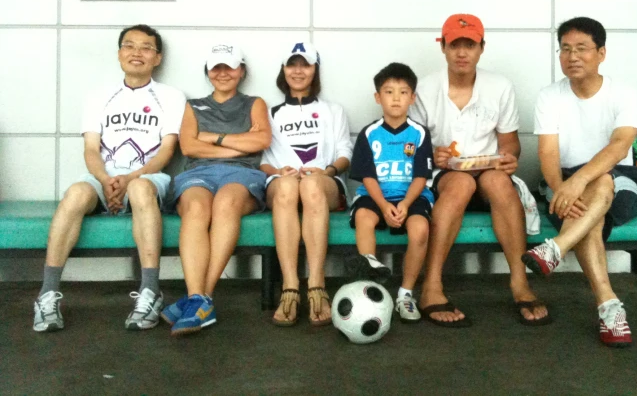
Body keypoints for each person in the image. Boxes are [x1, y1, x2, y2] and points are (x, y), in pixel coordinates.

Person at [33, 25, 186, 333]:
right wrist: (104, 179)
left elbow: (166, 152)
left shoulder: (170, 96)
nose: (137, 53)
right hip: (103, 178)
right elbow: (91, 149)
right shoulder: (99, 96)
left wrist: (131, 178)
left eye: (146, 48)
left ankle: (150, 291)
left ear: (157, 58)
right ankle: (47, 295)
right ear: (119, 54)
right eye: (129, 46)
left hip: (147, 177)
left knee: (141, 190)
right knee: (76, 193)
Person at [411, 14, 549, 327]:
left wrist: (509, 159)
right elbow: (412, 145)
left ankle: (520, 283)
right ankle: (432, 287)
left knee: (499, 181)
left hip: (487, 173)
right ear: (443, 47)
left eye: (470, 44)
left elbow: (510, 144)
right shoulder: (425, 88)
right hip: (446, 177)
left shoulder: (499, 86)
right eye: (455, 44)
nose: (462, 52)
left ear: (481, 48)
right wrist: (433, 153)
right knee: (461, 183)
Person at [523, 17, 637, 348]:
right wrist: (562, 186)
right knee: (590, 216)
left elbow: (620, 147)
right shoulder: (550, 96)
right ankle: (609, 307)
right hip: (564, 182)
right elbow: (547, 155)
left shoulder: (624, 94)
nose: (572, 56)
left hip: (620, 178)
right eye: (565, 49)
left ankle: (556, 248)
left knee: (602, 183)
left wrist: (578, 181)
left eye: (581, 49)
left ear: (601, 53)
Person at [161, 43, 271, 336]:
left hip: (244, 174)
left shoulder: (254, 103)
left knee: (225, 203)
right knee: (196, 208)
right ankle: (200, 299)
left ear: (242, 70)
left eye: (230, 66)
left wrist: (214, 138)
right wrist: (238, 143)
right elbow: (189, 146)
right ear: (208, 72)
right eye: (216, 67)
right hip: (198, 172)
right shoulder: (193, 105)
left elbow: (261, 141)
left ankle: (198, 298)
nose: (223, 73)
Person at [260, 42, 352, 327]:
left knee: (311, 185)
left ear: (315, 70)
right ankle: (290, 287)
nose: (298, 71)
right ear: (283, 70)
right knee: (287, 187)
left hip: (322, 183)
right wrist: (278, 170)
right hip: (283, 182)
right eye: (292, 64)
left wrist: (327, 170)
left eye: (305, 64)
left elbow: (345, 153)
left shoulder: (333, 110)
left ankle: (316, 284)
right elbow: (262, 161)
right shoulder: (270, 113)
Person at [348, 63, 434, 323]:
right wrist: (384, 205)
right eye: (388, 92)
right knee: (364, 217)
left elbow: (421, 176)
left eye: (403, 92)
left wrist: (406, 204)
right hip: (376, 195)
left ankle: (405, 294)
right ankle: (370, 271)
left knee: (419, 229)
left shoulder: (419, 133)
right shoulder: (369, 133)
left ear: (412, 98)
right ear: (378, 97)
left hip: (411, 196)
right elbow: (368, 176)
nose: (396, 98)